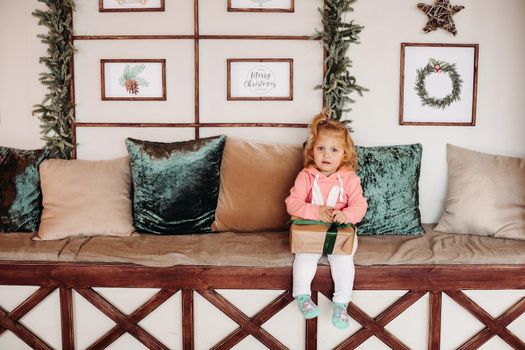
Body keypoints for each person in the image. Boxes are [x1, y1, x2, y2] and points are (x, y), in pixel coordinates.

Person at [285, 111, 368, 329]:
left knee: (343, 259)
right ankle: (302, 295)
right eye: (321, 148)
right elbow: (292, 203)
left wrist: (346, 215)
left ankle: (341, 304)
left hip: (339, 231)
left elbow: (360, 205)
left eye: (334, 150)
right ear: (312, 150)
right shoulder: (306, 176)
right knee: (304, 256)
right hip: (310, 231)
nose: (326, 155)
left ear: (344, 154)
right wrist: (316, 211)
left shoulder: (350, 178)